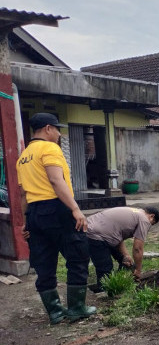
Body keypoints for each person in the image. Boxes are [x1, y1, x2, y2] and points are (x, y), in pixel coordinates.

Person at [16, 113, 95, 324]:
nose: (60, 134)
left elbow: (23, 194)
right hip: (56, 209)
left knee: (44, 262)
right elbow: (56, 180)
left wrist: (26, 221)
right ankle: (77, 307)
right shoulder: (50, 148)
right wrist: (75, 209)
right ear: (48, 128)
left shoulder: (23, 157)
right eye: (58, 129)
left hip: (34, 212)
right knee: (77, 254)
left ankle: (55, 312)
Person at [86, 207, 159, 291]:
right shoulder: (144, 219)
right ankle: (104, 292)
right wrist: (138, 270)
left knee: (125, 261)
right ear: (151, 216)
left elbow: (118, 236)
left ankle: (120, 281)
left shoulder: (134, 212)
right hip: (96, 235)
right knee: (105, 267)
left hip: (94, 229)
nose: (149, 226)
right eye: (152, 223)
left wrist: (126, 255)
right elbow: (137, 249)